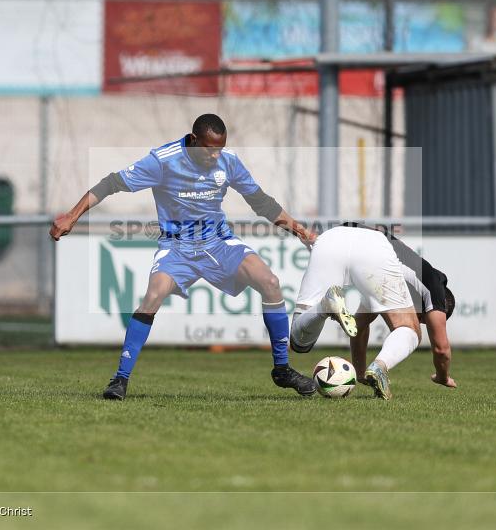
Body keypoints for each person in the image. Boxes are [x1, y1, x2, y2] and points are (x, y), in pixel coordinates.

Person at [50, 114, 318, 400]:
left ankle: (282, 369)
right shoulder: (163, 161)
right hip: (177, 248)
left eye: (220, 149)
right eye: (209, 149)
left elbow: (261, 203)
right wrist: (72, 216)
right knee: (153, 295)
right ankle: (120, 379)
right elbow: (110, 183)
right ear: (193, 140)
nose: (215, 155)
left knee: (270, 282)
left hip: (218, 242)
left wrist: (301, 231)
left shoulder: (228, 161)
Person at [290, 224, 457, 399]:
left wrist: (360, 372)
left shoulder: (390, 284)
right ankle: (380, 366)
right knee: (411, 330)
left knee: (299, 342)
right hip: (375, 248)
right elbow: (441, 349)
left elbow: (358, 326)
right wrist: (442, 376)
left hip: (333, 236)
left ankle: (324, 307)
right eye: (422, 318)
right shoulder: (435, 288)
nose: (418, 318)